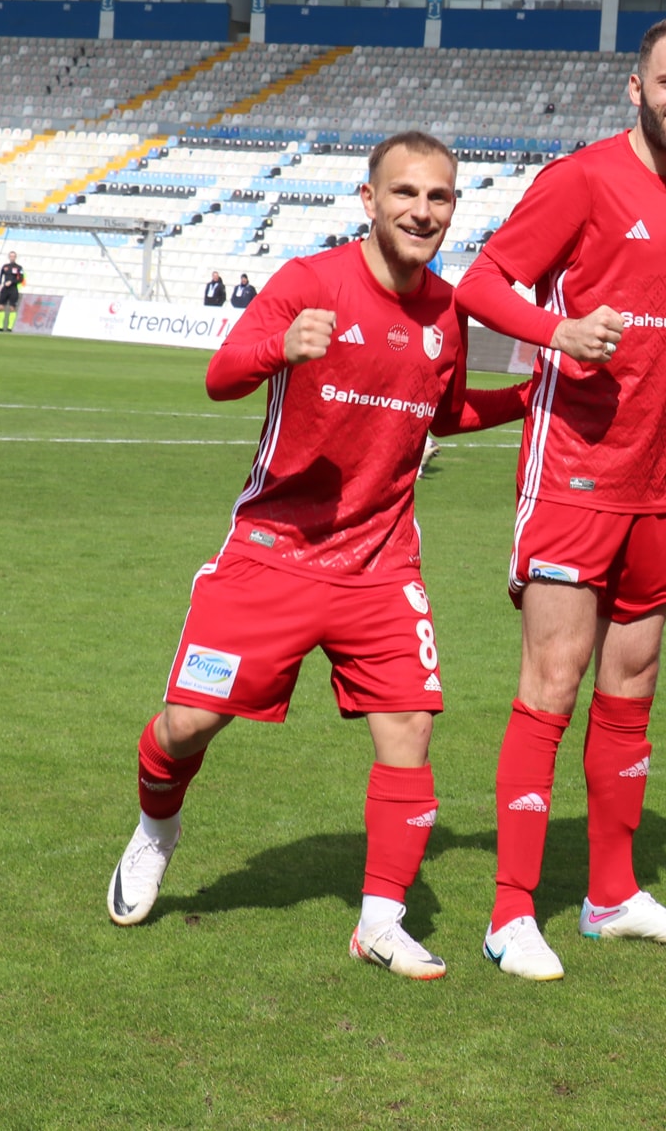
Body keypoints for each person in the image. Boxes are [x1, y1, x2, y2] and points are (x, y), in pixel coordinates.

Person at [104, 131, 526, 980]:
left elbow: (441, 414)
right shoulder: (310, 282)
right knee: (187, 725)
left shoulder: (449, 312)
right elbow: (222, 375)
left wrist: (532, 392)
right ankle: (156, 828)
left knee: (409, 728)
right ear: (369, 200)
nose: (422, 211)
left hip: (381, 563)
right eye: (405, 193)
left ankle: (380, 921)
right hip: (272, 553)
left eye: (439, 197)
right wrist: (280, 347)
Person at [454, 14, 666, 982]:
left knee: (632, 688)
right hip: (575, 473)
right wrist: (557, 333)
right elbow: (479, 283)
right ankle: (509, 912)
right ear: (635, 86)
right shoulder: (580, 179)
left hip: (659, 488)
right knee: (553, 681)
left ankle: (613, 897)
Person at [0, 251, 26, 332]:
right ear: (9, 257)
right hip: (5, 289)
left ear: (15, 257)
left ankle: (9, 327)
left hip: (13, 289)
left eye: (13, 256)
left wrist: (12, 282)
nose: (12, 257)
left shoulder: (19, 267)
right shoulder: (5, 266)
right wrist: (0, 283)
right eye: (11, 256)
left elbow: (21, 279)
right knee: (0, 307)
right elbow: (1, 275)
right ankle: (0, 327)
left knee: (12, 308)